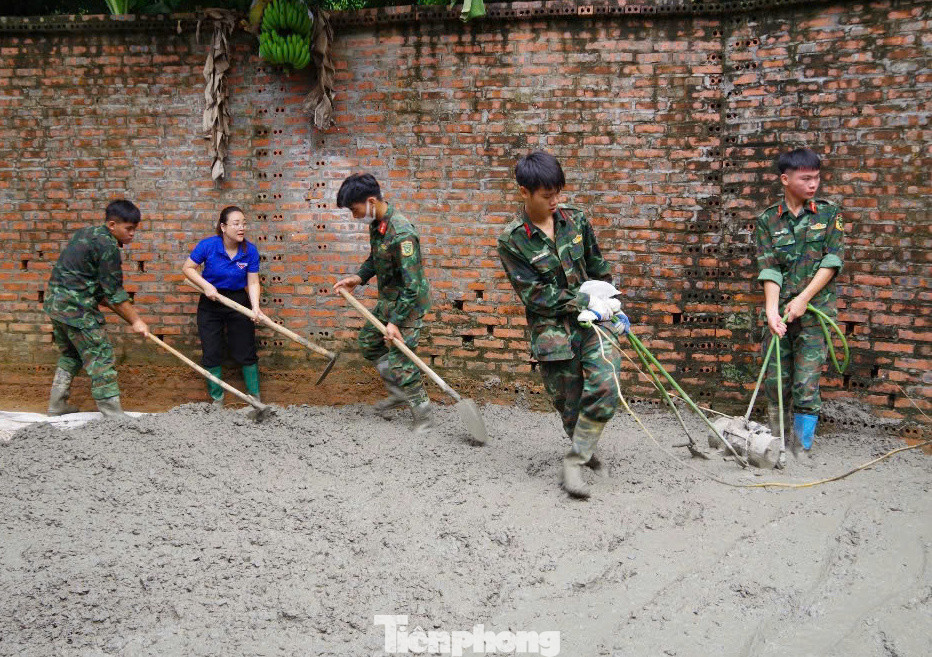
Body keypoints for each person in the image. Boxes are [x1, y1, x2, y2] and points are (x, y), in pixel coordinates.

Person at [497, 151, 630, 499]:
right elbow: (536, 295)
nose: (555, 201)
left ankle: (575, 460)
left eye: (558, 192)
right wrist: (587, 301)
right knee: (568, 406)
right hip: (552, 332)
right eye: (546, 195)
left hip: (592, 326)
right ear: (524, 192)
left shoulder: (576, 220)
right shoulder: (512, 240)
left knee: (606, 385)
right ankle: (583, 447)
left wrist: (612, 307)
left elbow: (598, 268)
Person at [755, 147, 844, 460]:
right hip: (779, 312)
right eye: (806, 178)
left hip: (814, 313)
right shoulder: (768, 220)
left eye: (816, 178)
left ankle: (800, 448)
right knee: (776, 379)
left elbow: (832, 261)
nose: (813, 184)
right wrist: (771, 312)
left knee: (806, 382)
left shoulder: (829, 213)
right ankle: (775, 444)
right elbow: (769, 268)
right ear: (785, 179)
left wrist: (804, 299)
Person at [332, 173, 434, 434]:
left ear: (370, 201)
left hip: (408, 305)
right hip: (390, 299)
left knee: (401, 360)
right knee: (368, 341)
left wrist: (395, 322)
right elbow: (375, 259)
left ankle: (423, 415)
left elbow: (413, 286)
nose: (355, 216)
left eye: (355, 210)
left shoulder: (402, 234)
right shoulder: (377, 226)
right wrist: (358, 277)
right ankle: (399, 392)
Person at [44, 199, 149, 418]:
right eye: (128, 229)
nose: (132, 234)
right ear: (112, 225)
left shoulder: (87, 233)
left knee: (71, 354)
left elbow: (100, 292)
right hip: (76, 309)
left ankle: (57, 404)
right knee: (101, 355)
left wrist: (130, 318)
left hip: (55, 303)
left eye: (134, 229)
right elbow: (115, 293)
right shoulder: (108, 246)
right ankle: (112, 414)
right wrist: (137, 321)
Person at [182, 206, 264, 406]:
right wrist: (206, 286)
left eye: (243, 223)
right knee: (211, 351)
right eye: (236, 224)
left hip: (238, 301)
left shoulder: (249, 250)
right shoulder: (208, 246)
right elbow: (187, 268)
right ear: (223, 227)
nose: (241, 227)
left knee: (246, 350)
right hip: (211, 302)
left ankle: (255, 400)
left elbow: (252, 282)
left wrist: (255, 308)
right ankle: (217, 400)